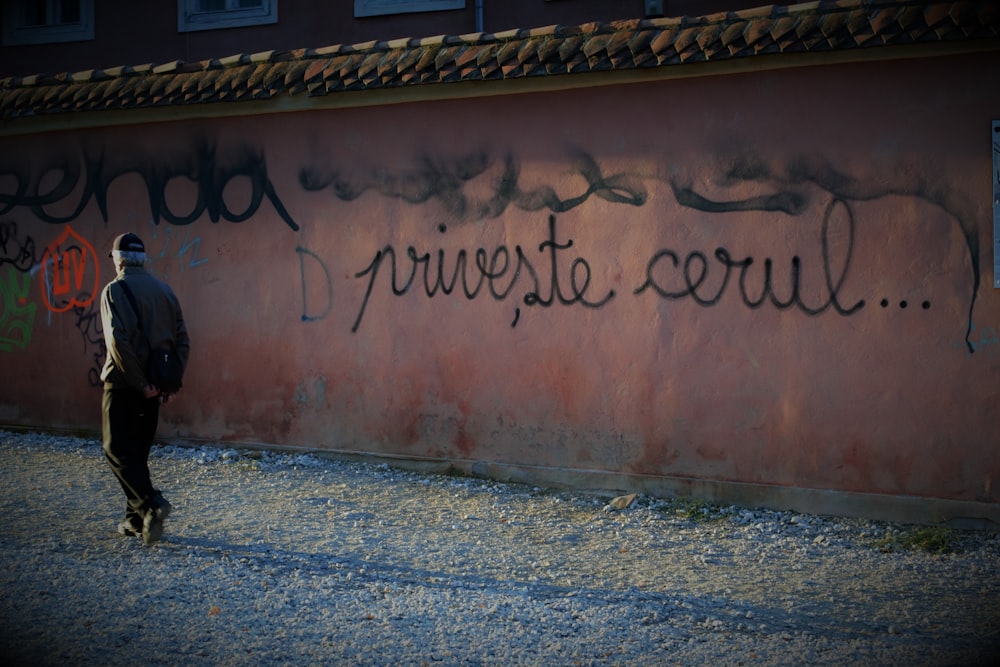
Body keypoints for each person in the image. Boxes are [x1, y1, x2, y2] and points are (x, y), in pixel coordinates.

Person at [99, 232, 190, 546]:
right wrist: (168, 384)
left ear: (119, 260)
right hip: (155, 390)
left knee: (115, 450)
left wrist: (140, 383)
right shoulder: (165, 291)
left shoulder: (114, 290)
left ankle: (152, 504)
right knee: (137, 454)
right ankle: (136, 520)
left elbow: (118, 342)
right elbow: (182, 340)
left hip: (124, 384)